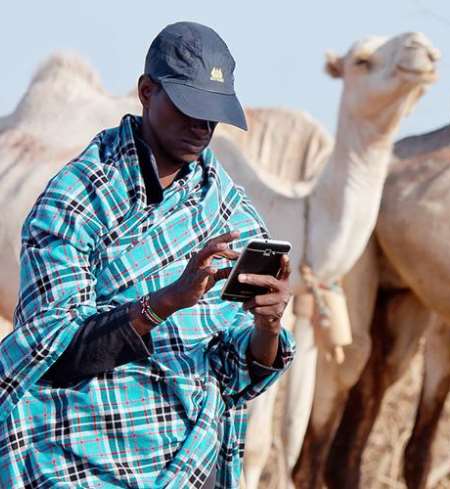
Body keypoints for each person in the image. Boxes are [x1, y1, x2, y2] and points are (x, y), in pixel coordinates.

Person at [0, 22, 294, 488]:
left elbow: (240, 375)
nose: (202, 126)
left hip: (188, 463)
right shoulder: (76, 201)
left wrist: (269, 324)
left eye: (212, 114)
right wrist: (167, 301)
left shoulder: (230, 214)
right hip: (70, 456)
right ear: (145, 92)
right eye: (189, 108)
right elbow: (51, 355)